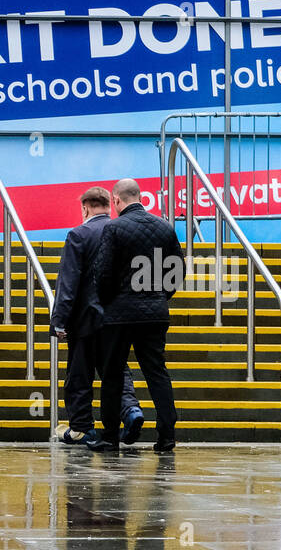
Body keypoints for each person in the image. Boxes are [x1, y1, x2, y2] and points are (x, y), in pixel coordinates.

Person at [86, 178, 184, 453]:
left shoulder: (114, 228)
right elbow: (177, 270)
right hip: (155, 313)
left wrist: (109, 302)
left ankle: (109, 436)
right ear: (140, 197)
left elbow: (102, 273)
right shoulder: (164, 227)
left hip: (119, 315)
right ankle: (166, 436)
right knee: (156, 373)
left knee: (113, 374)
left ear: (116, 200)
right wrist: (160, 297)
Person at [50, 186, 143, 445]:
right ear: (109, 205)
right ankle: (131, 410)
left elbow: (68, 283)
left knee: (80, 374)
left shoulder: (78, 235)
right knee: (117, 371)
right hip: (118, 318)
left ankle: (82, 427)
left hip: (85, 319)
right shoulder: (122, 232)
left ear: (85, 207)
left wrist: (58, 320)